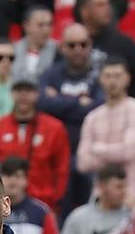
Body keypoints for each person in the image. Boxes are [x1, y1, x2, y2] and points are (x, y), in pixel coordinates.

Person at [38, 24, 103, 213]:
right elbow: (43, 104)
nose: (78, 50)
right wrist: (80, 102)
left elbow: (98, 108)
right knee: (60, 211)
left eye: (83, 44)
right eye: (72, 45)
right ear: (62, 47)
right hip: (56, 156)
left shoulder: (99, 74)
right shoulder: (51, 73)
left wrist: (59, 101)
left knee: (91, 210)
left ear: (90, 45)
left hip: (92, 153)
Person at [0, 80, 70, 217]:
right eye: (19, 90)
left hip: (43, 201)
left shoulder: (54, 128)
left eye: (28, 91)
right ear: (11, 94)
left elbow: (62, 169)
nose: (23, 95)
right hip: (4, 204)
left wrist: (55, 201)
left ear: (37, 94)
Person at [76, 57, 135, 205]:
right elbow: (83, 163)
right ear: (101, 79)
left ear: (128, 78)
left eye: (117, 76)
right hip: (99, 199)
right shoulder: (92, 117)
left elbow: (128, 152)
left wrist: (96, 148)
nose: (112, 81)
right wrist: (117, 151)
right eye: (108, 76)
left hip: (132, 196)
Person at [79, 0, 135, 104]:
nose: (107, 8)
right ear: (84, 11)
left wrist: (129, 109)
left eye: (107, 4)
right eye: (100, 5)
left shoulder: (125, 44)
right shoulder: (73, 43)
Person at [11, 6, 57, 86]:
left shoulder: (59, 51)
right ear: (26, 25)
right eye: (41, 25)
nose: (46, 30)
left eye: (49, 24)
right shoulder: (12, 50)